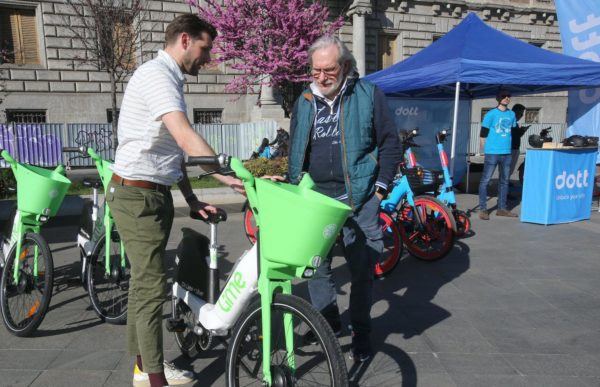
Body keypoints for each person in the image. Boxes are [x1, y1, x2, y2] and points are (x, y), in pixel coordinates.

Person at [107, 15, 243, 387]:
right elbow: (185, 137)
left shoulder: (168, 79)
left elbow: (171, 152)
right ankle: (154, 381)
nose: (208, 57)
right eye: (205, 48)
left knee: (142, 287)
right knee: (151, 288)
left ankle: (142, 367)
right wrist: (229, 176)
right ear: (185, 39)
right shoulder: (157, 75)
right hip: (137, 196)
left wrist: (192, 198)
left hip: (148, 194)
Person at [288, 35, 401, 362]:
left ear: (347, 67)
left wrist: (379, 191)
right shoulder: (305, 100)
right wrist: (293, 183)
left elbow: (390, 144)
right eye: (315, 70)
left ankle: (362, 334)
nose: (321, 77)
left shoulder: (368, 95)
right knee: (315, 268)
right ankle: (327, 324)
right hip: (315, 201)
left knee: (362, 271)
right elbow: (297, 147)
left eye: (329, 70)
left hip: (359, 199)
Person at [478, 90, 518, 220]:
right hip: (492, 152)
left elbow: (512, 130)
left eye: (508, 96)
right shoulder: (491, 114)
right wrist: (486, 149)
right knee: (486, 180)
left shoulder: (512, 114)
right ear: (498, 99)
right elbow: (483, 133)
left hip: (506, 152)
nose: (507, 98)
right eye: (504, 96)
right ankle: (483, 209)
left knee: (505, 181)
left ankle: (501, 208)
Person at [508, 103, 530, 184]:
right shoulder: (510, 121)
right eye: (521, 113)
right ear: (515, 112)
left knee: (510, 170)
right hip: (510, 149)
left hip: (514, 148)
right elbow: (513, 135)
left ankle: (506, 184)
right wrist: (521, 131)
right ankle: (504, 189)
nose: (522, 116)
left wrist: (522, 131)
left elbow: (517, 135)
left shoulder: (515, 123)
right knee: (508, 169)